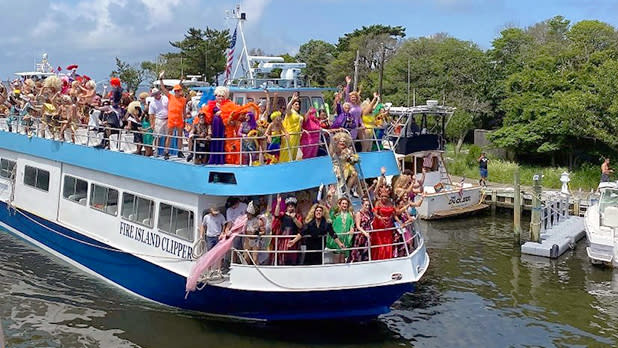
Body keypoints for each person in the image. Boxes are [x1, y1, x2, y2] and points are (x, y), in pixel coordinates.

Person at [159, 72, 187, 160]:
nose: (177, 92)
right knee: (169, 135)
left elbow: (184, 111)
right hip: (171, 119)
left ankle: (179, 151)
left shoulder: (183, 100)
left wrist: (185, 120)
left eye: (178, 90)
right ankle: (166, 152)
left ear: (181, 91)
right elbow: (163, 88)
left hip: (179, 120)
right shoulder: (171, 96)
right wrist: (161, 79)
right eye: (175, 91)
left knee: (179, 136)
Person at [272, 195, 303, 265]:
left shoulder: (298, 216)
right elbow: (276, 215)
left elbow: (300, 226)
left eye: (292, 205)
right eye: (289, 206)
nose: (290, 207)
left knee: (292, 257)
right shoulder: (283, 214)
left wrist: (294, 218)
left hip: (293, 239)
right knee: (282, 256)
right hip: (283, 240)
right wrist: (278, 203)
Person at [328, 197, 355, 263]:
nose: (344, 205)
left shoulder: (349, 215)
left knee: (343, 259)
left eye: (346, 203)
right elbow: (332, 205)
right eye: (343, 203)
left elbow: (352, 224)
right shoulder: (335, 213)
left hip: (345, 239)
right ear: (340, 204)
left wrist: (352, 230)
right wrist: (332, 195)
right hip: (336, 239)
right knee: (337, 258)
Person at [280, 92, 303, 162]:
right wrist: (292, 99)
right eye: (296, 104)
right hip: (290, 135)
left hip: (297, 136)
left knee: (294, 153)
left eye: (298, 104)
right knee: (287, 153)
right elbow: (287, 108)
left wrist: (303, 130)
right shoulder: (290, 112)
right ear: (292, 105)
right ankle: (284, 165)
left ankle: (291, 166)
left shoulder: (298, 114)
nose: (297, 105)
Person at [350, 197, 373, 262]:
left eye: (368, 205)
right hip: (360, 235)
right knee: (358, 252)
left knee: (366, 252)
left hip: (368, 235)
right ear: (362, 205)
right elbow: (358, 226)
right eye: (366, 205)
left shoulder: (369, 213)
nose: (367, 207)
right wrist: (364, 233)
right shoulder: (358, 213)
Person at [148, 87, 169, 156]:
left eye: (157, 93)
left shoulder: (166, 98)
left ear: (159, 93)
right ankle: (156, 150)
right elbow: (151, 114)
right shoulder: (152, 103)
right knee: (157, 136)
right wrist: (152, 124)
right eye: (154, 94)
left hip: (168, 119)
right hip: (158, 119)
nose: (156, 95)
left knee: (167, 136)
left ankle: (166, 151)